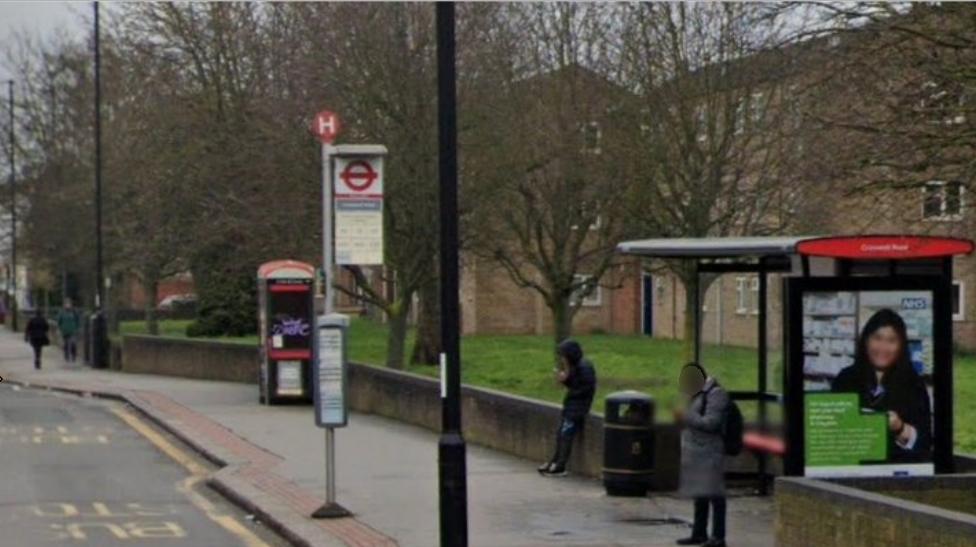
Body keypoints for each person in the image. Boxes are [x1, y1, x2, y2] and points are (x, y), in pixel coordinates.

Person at [832, 308, 932, 462]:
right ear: (866, 340)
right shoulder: (845, 378)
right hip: (853, 470)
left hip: (897, 474)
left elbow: (924, 444)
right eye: (877, 338)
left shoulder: (914, 384)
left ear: (901, 346)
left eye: (891, 340)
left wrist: (900, 428)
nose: (883, 347)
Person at [675, 363, 729, 547]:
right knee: (700, 494)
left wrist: (687, 416)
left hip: (710, 451)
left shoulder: (716, 394)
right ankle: (699, 533)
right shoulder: (693, 394)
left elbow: (712, 423)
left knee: (715, 495)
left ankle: (718, 537)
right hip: (695, 451)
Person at [538, 339, 597, 477]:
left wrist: (568, 381)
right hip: (571, 406)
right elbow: (575, 386)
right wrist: (565, 380)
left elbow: (585, 388)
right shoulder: (576, 366)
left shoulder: (584, 367)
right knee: (561, 434)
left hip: (577, 408)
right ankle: (554, 461)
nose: (562, 359)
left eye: (564, 356)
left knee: (566, 435)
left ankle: (560, 465)